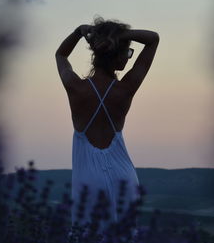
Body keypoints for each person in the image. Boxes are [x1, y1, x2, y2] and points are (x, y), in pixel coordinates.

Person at [55, 16, 159, 238]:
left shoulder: (75, 87)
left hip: (88, 179)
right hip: (124, 177)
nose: (129, 58)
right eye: (127, 52)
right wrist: (121, 35)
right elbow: (153, 39)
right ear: (118, 55)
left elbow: (61, 55)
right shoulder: (126, 89)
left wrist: (78, 32)